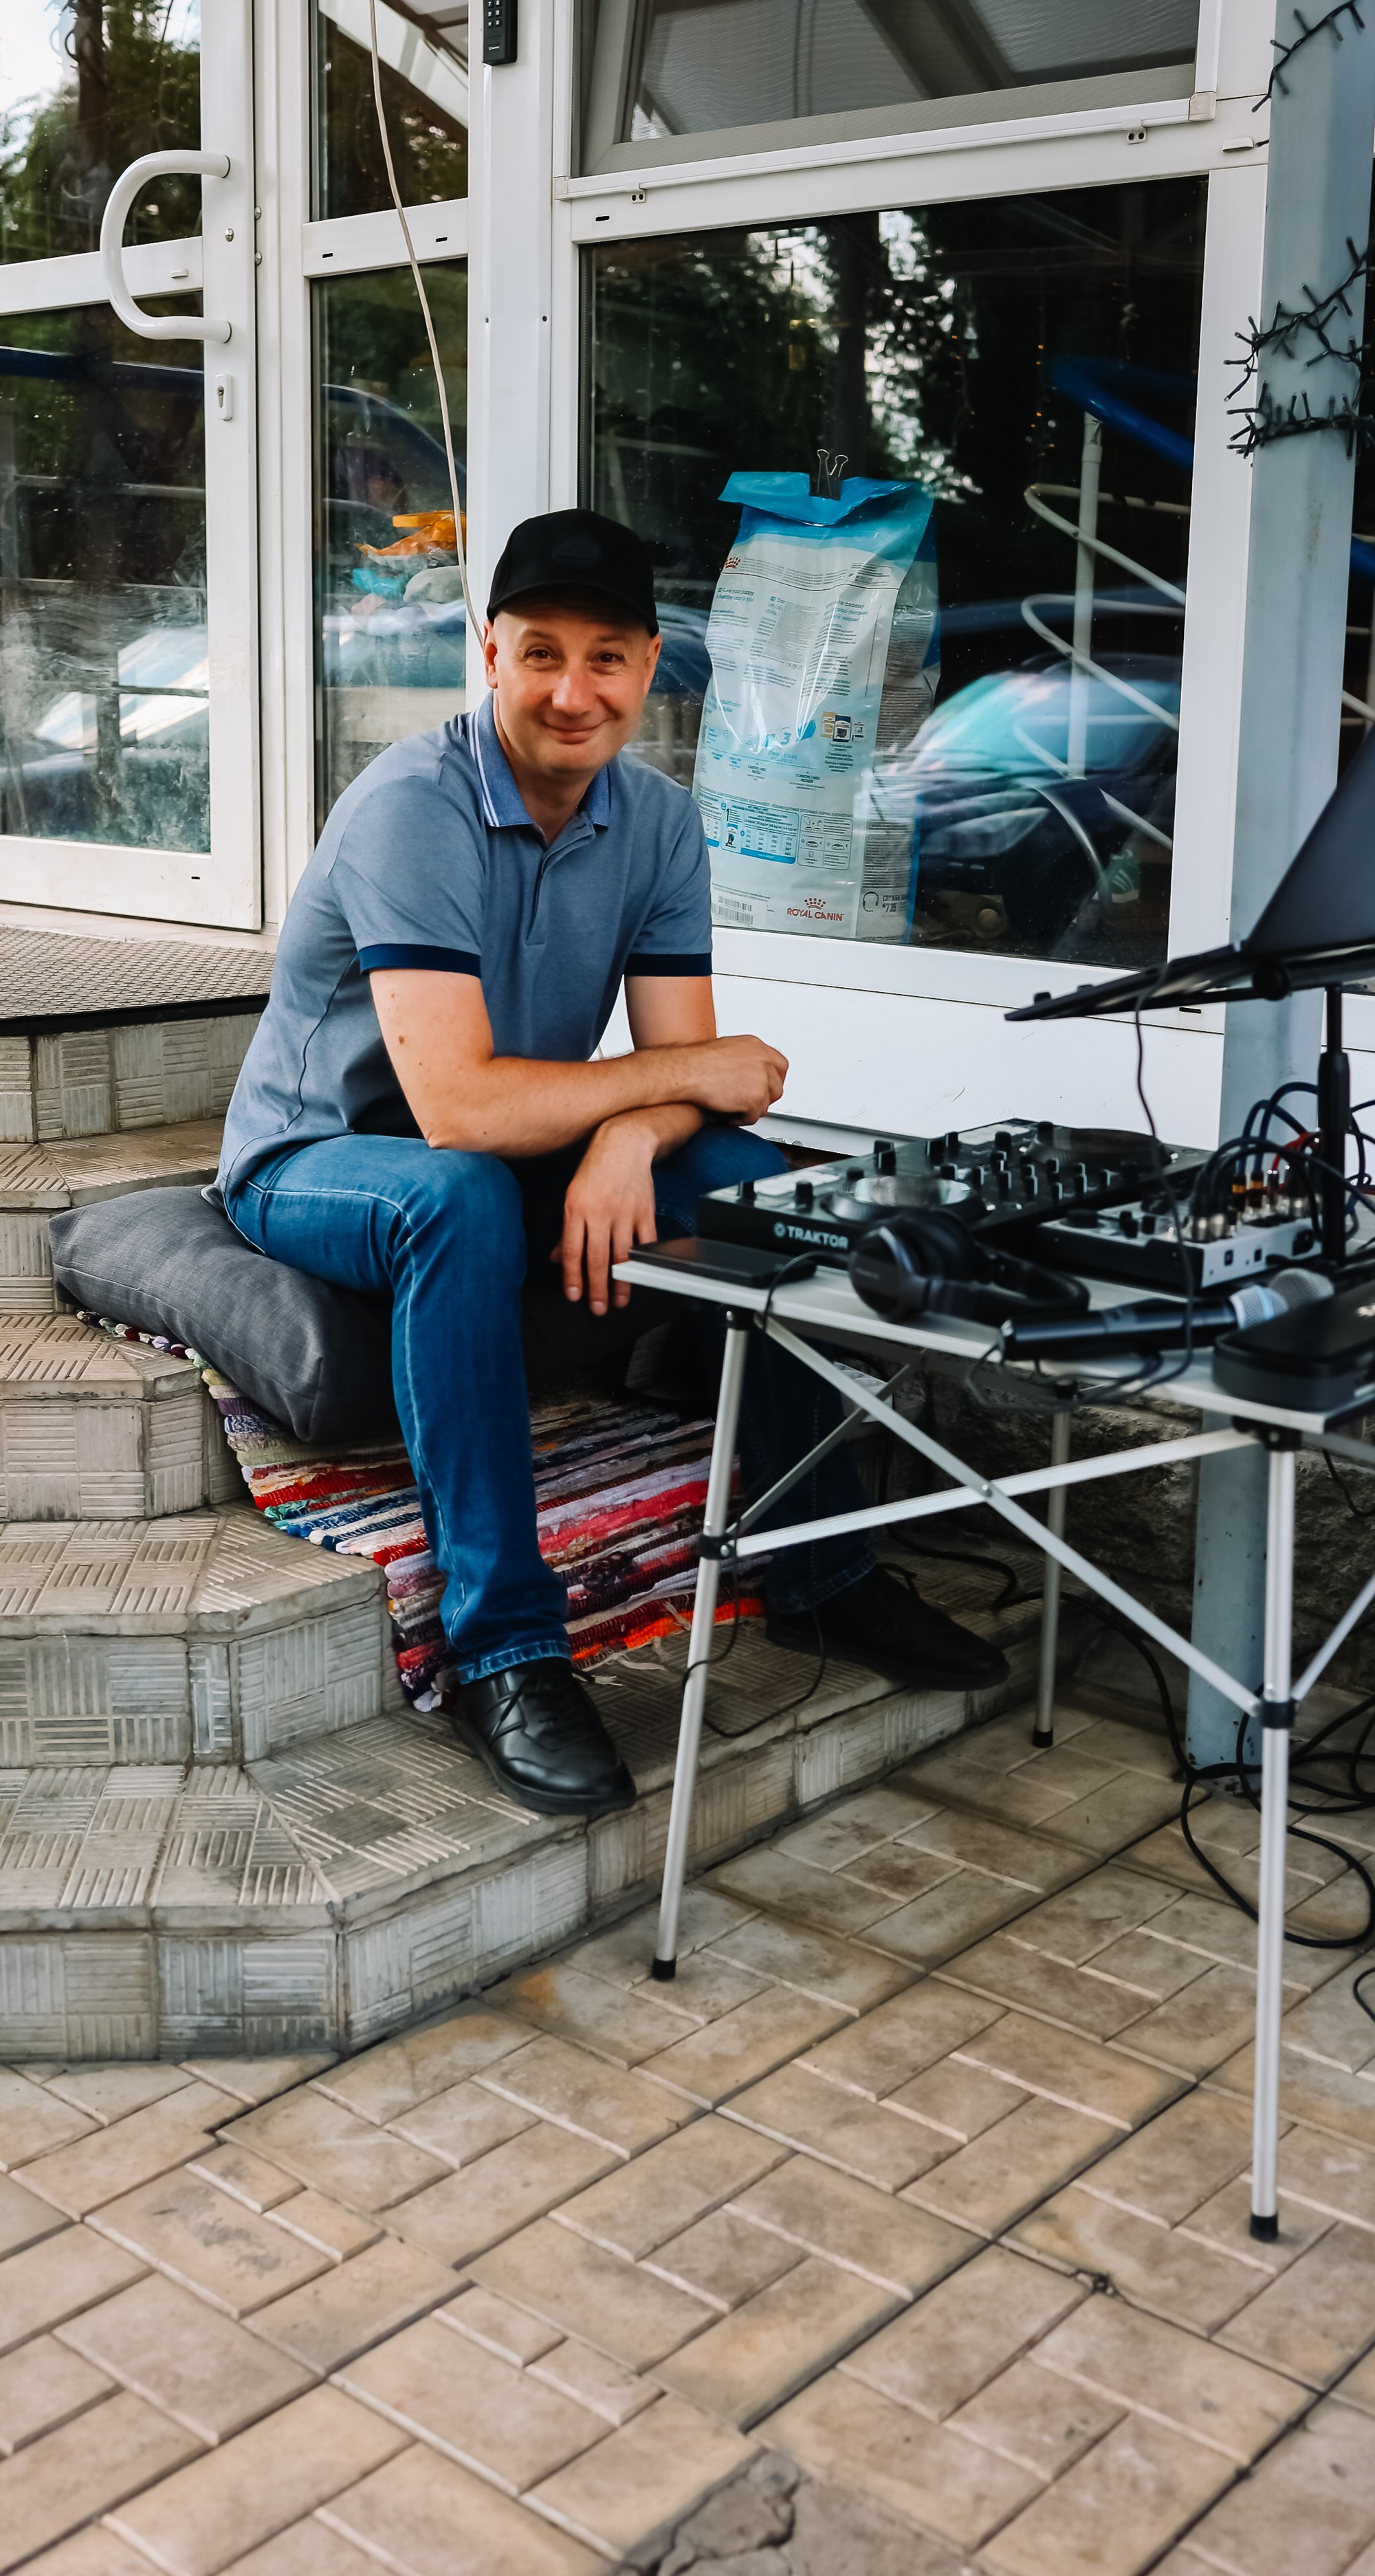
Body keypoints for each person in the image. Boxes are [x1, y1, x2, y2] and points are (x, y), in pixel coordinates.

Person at [217, 508, 1004, 1820]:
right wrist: (662, 1090)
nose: (571, 692)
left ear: (649, 668)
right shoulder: (411, 808)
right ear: (488, 655)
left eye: (604, 658)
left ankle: (825, 1569)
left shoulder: (657, 822)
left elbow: (688, 1079)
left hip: (515, 1141)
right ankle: (506, 1649)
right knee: (457, 1194)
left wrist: (632, 1136)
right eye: (539, 654)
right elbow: (460, 1110)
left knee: (746, 1180)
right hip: (325, 1157)